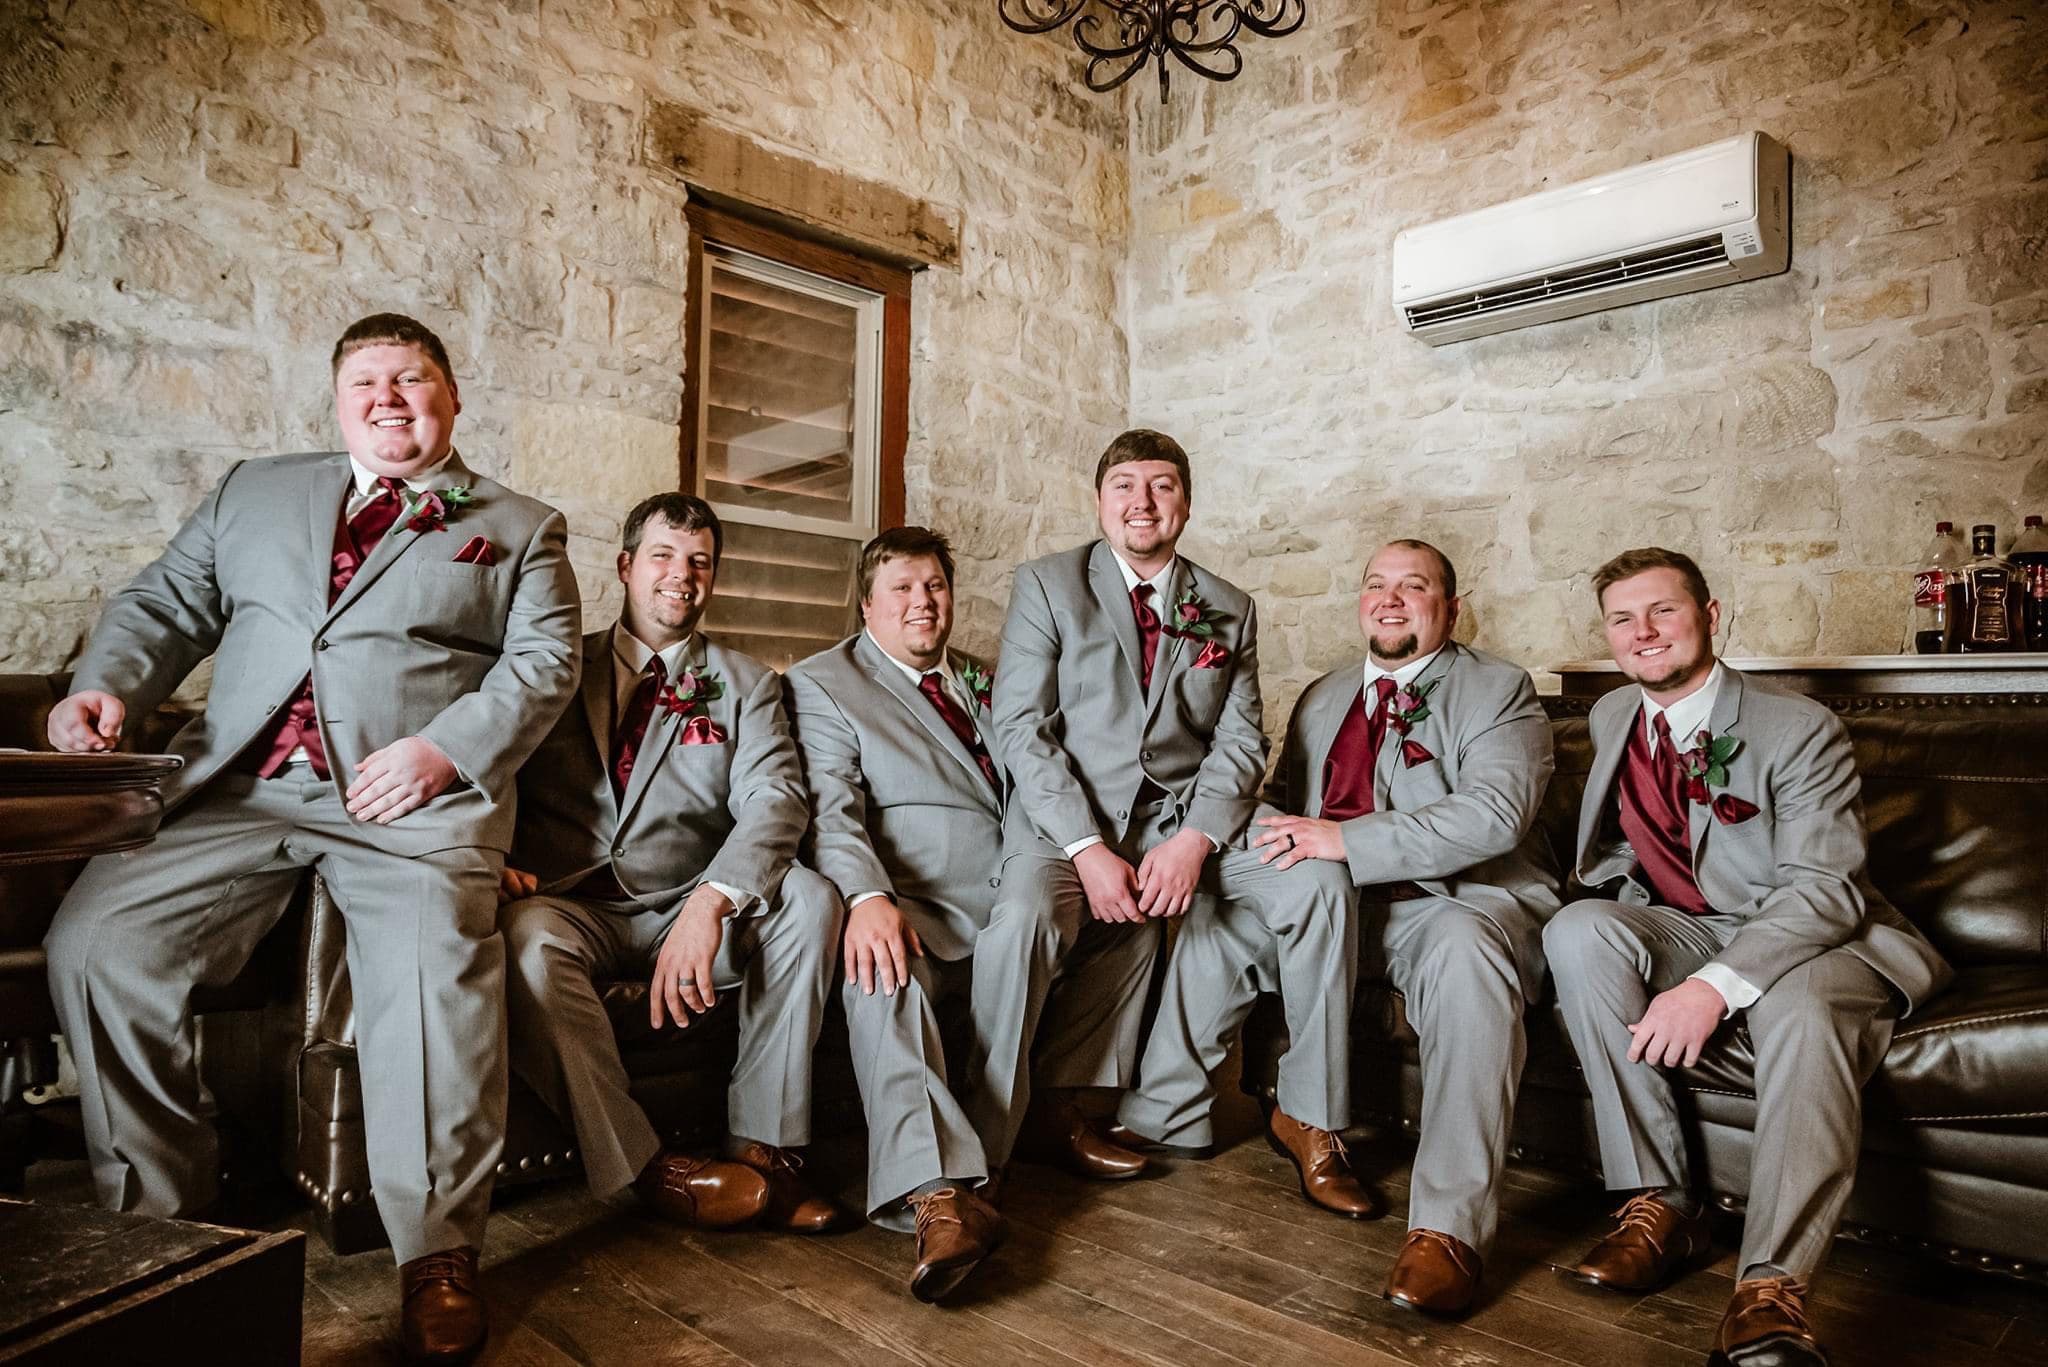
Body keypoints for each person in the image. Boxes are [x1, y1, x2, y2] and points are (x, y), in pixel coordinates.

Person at [44, 313, 582, 1365]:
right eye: (365, 382)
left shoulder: (518, 524)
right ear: (337, 401)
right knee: (95, 947)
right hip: (236, 786)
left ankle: (435, 1251)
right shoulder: (256, 488)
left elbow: (545, 662)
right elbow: (164, 601)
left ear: (452, 396)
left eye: (411, 379)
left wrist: (444, 751)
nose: (387, 398)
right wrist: (102, 686)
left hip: (410, 802)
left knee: (431, 978)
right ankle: (160, 1218)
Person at [1545, 547, 1951, 1367]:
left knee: (1794, 1004)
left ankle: (1770, 1286)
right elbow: (1627, 839)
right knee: (1577, 931)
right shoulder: (1612, 714)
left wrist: (1708, 988)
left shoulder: (1798, 726)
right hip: (1694, 922)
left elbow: (1824, 890)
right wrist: (1630, 905)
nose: (1643, 631)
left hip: (1821, 932)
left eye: (1663, 610)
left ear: (1711, 613)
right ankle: (1658, 1203)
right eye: (1623, 618)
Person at [1137, 538, 1558, 1315]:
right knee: (1234, 907)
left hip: (1451, 905)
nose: (1390, 599)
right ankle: (1164, 1112)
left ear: (1451, 608)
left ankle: (1447, 1230)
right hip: (1345, 906)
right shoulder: (1324, 696)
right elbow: (1288, 803)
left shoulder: (1500, 689)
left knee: (1467, 958)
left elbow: (1495, 813)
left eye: (1415, 586)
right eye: (1376, 585)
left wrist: (1341, 841)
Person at [975, 428, 1357, 1206]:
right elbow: (1021, 726)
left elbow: (1242, 737)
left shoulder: (1230, 607)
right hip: (1065, 823)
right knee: (1022, 922)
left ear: (1185, 502)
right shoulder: (1049, 585)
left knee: (1314, 875)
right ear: (1099, 501)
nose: (1141, 501)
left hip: (1188, 819)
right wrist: (1085, 846)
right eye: (1124, 485)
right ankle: (978, 1152)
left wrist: (1195, 838)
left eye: (1160, 486)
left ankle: (1310, 1115)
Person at [498, 492, 845, 1250]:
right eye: (662, 555)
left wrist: (712, 902)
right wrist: (493, 858)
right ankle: (650, 1169)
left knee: (814, 898)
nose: (680, 576)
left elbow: (775, 800)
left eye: (699, 562)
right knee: (524, 940)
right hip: (568, 903)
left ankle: (765, 1150)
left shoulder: (747, 684)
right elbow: (495, 764)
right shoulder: (556, 663)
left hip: (686, 904)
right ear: (625, 566)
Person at [784, 526, 1007, 1302]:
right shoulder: (823, 681)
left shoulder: (987, 678)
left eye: (936, 586)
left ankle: (1066, 1111)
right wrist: (867, 897)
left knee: (1141, 912)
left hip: (1015, 902)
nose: (923, 601)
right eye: (904, 588)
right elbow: (833, 810)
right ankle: (937, 1196)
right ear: (867, 603)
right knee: (877, 968)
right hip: (914, 906)